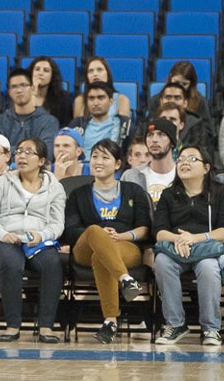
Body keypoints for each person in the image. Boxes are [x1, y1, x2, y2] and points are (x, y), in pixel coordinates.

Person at [62, 139, 150, 343]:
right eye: (94, 157)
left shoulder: (133, 191)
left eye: (105, 157)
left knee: (102, 258)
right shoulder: (78, 194)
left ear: (118, 164)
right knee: (95, 230)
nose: (98, 161)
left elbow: (144, 229)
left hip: (125, 246)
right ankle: (126, 280)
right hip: (85, 248)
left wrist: (120, 236)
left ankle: (110, 322)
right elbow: (71, 230)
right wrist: (101, 234)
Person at [152, 143, 224, 346]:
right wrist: (179, 239)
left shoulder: (220, 193)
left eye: (192, 159)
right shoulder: (169, 194)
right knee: (162, 261)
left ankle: (211, 328)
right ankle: (175, 324)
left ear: (206, 167)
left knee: (208, 267)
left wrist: (195, 238)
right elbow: (159, 231)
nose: (184, 163)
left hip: (208, 251)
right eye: (180, 159)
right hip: (176, 250)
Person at [0, 137, 65, 342]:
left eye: (29, 152)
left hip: (37, 242)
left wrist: (42, 235)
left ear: (42, 160)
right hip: (4, 241)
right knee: (11, 263)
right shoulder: (2, 182)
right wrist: (2, 234)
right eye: (19, 151)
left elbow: (57, 224)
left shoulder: (55, 187)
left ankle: (46, 327)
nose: (22, 156)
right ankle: (12, 325)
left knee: (53, 263)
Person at [0, 68, 60, 157]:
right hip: (4, 170)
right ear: (9, 92)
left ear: (33, 88)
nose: (19, 90)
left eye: (23, 85)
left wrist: (8, 150)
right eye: (14, 86)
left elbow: (46, 154)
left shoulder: (49, 121)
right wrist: (30, 151)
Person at [122, 116, 179, 203]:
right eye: (150, 135)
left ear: (172, 142)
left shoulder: (183, 175)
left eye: (161, 134)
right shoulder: (131, 176)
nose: (154, 140)